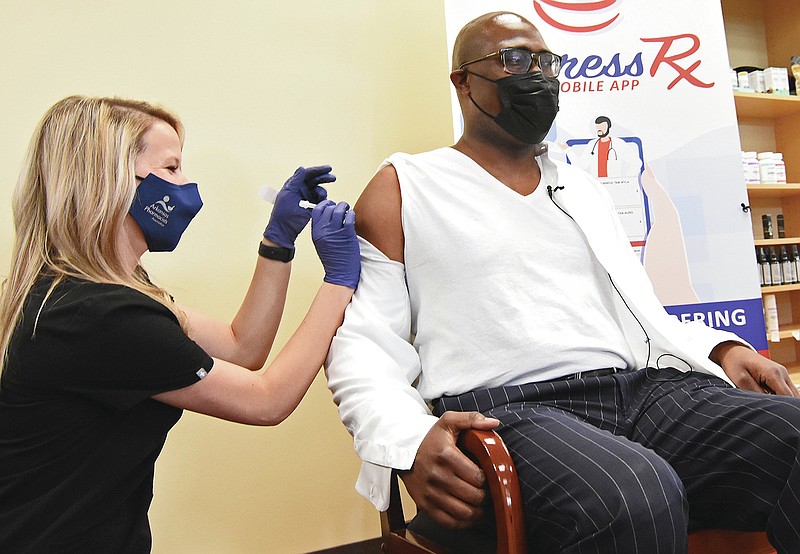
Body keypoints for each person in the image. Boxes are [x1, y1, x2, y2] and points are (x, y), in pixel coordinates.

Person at [325, 12, 800, 553]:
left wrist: (720, 346)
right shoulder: (405, 187)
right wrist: (407, 443)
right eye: (516, 59)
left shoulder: (580, 187)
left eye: (547, 62)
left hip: (640, 394)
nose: (539, 75)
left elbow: (641, 313)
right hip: (511, 413)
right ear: (462, 81)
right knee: (633, 493)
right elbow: (363, 344)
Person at [0, 95, 360, 552]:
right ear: (110, 183)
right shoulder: (98, 317)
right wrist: (339, 280)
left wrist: (278, 240)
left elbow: (241, 347)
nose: (186, 185)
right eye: (171, 170)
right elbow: (267, 400)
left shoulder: (89, 292)